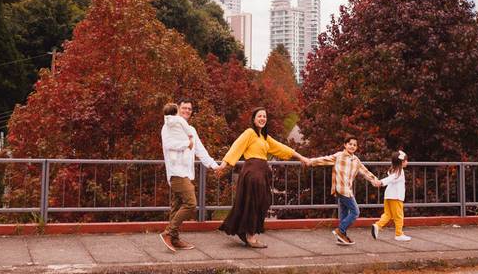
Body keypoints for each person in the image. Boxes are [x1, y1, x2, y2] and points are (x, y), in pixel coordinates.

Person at [217, 107, 310, 248]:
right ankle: (251, 236)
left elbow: (282, 148)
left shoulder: (264, 137)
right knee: (254, 203)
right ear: (253, 119)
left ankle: (246, 231)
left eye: (264, 117)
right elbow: (236, 146)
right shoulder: (249, 133)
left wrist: (301, 157)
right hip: (253, 173)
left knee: (262, 202)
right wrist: (224, 164)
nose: (262, 119)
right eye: (259, 116)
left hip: (262, 174)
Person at [160, 100, 221, 253]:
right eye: (184, 108)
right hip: (175, 172)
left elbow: (200, 150)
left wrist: (214, 166)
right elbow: (168, 145)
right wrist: (186, 144)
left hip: (187, 174)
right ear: (178, 110)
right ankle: (167, 233)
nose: (187, 110)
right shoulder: (168, 126)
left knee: (176, 207)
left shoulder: (191, 130)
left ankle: (174, 239)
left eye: (190, 108)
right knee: (191, 203)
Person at [307, 136, 381, 245]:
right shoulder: (339, 156)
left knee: (344, 214)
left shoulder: (356, 160)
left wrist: (374, 180)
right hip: (341, 189)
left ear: (356, 147)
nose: (352, 146)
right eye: (350, 144)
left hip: (348, 189)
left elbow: (365, 172)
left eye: (354, 145)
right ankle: (340, 230)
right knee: (355, 212)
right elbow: (324, 159)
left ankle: (341, 237)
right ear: (345, 145)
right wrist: (310, 161)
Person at [371, 150, 411, 241]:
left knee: (387, 214)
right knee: (399, 216)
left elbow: (390, 178)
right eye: (405, 160)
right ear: (401, 162)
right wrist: (381, 182)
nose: (407, 162)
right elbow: (390, 178)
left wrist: (381, 182)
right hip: (396, 197)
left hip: (388, 196)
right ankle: (399, 234)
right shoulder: (399, 172)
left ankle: (377, 225)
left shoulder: (392, 170)